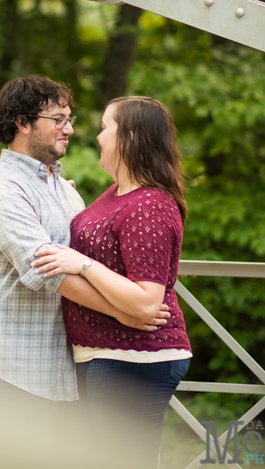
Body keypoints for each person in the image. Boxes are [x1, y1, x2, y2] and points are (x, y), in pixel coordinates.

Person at [0, 76, 169, 427]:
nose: (70, 129)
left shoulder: (63, 189)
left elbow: (91, 257)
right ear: (23, 124)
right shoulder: (2, 187)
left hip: (64, 369)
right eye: (58, 119)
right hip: (12, 368)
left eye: (69, 119)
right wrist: (126, 313)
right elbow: (51, 271)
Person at [33, 96, 191, 468]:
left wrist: (83, 264)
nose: (97, 136)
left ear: (130, 137)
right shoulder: (116, 195)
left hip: (133, 358)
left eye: (106, 128)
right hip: (107, 355)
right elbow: (106, 245)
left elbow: (146, 302)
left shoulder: (149, 204)